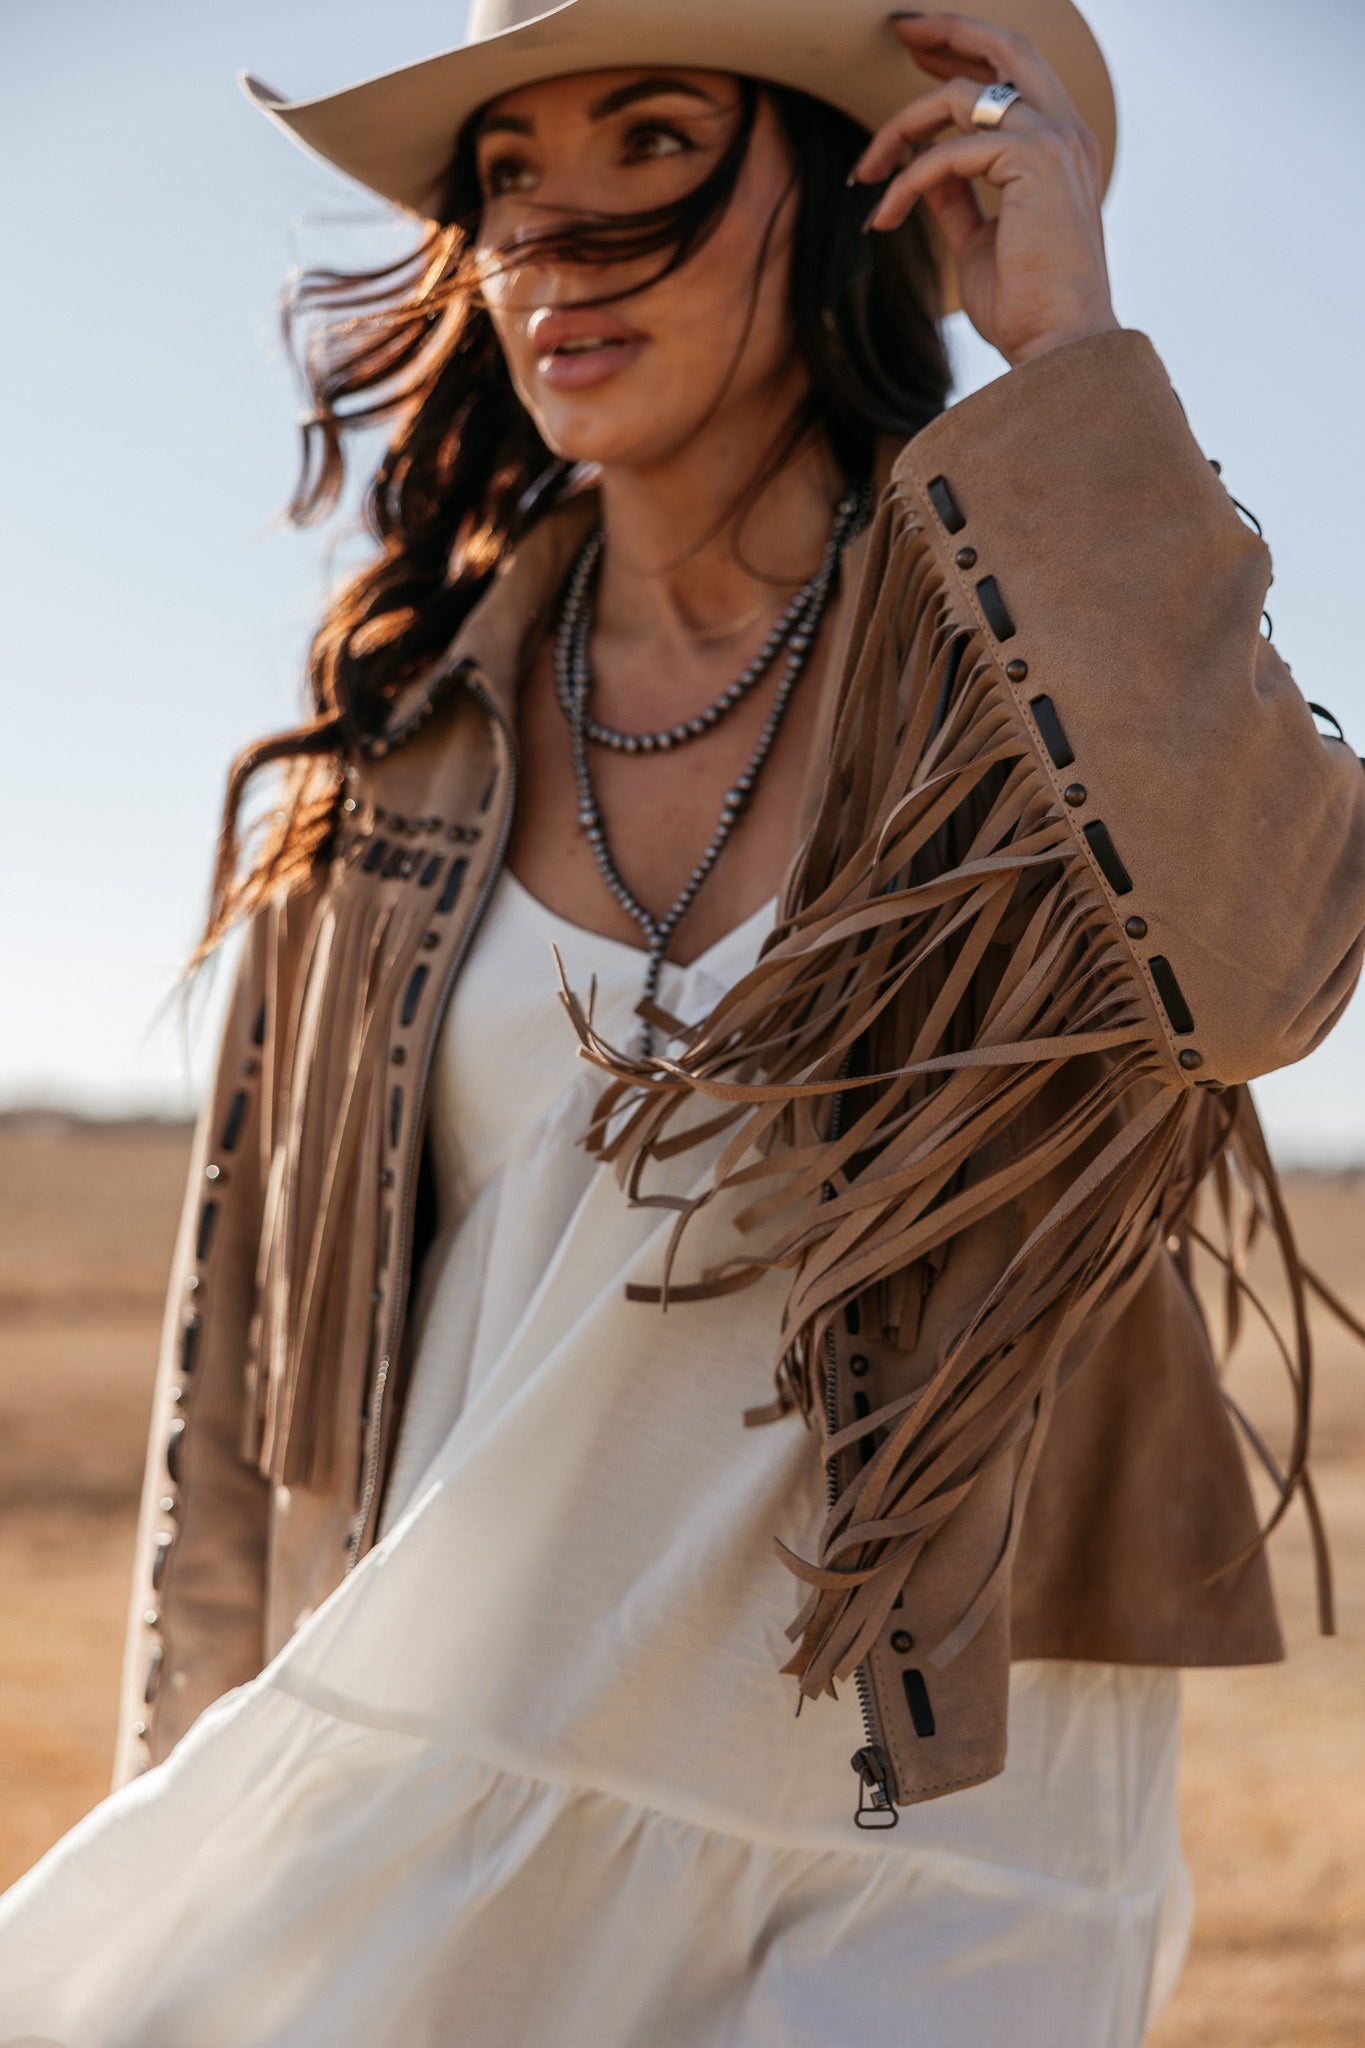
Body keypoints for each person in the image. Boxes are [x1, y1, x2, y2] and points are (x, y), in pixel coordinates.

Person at [2, 3, 1363, 2042]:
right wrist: (202, 1804)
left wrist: (1066, 362)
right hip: (461, 1764)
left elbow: (1265, 966)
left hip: (943, 1809)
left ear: (838, 195)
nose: (553, 237)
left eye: (648, 144)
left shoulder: (1023, 662)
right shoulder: (399, 764)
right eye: (511, 175)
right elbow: (242, 1393)